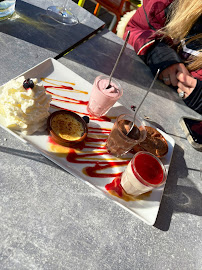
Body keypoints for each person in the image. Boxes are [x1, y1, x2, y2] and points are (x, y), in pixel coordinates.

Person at [123, 0, 202, 114]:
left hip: (182, 124)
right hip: (132, 88)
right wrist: (154, 50)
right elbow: (135, 29)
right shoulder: (169, 3)